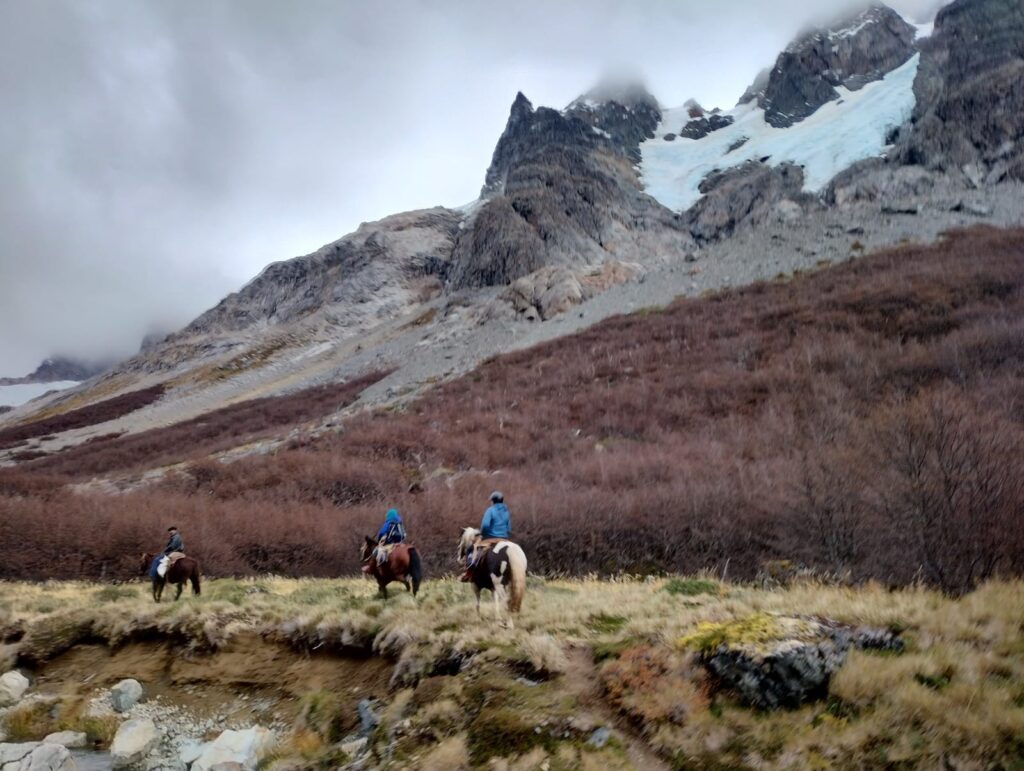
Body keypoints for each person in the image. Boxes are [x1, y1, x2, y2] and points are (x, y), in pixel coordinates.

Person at [461, 492, 511, 581]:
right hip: (504, 539)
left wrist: (482, 533)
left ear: (493, 501)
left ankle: (469, 571)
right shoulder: (506, 511)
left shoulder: (490, 510)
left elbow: (485, 525)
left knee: (472, 548)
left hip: (490, 537)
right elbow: (509, 527)